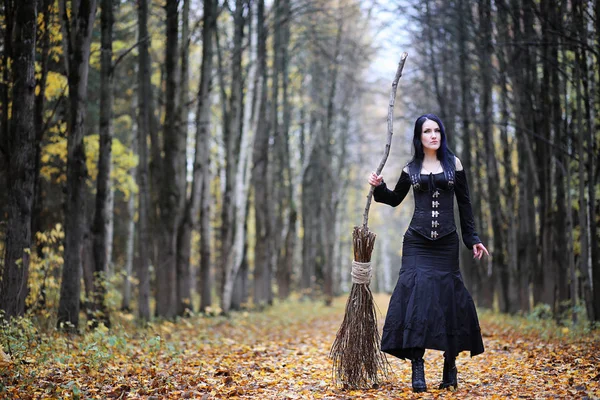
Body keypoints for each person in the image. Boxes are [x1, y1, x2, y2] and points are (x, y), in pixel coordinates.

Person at [368, 113, 489, 393]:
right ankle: (417, 365)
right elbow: (394, 199)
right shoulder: (411, 168)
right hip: (417, 243)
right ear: (419, 136)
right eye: (427, 131)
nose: (433, 135)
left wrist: (472, 239)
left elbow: (465, 205)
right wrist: (379, 187)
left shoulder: (454, 164)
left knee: (449, 300)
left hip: (446, 242)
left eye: (437, 130)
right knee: (417, 300)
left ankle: (450, 365)